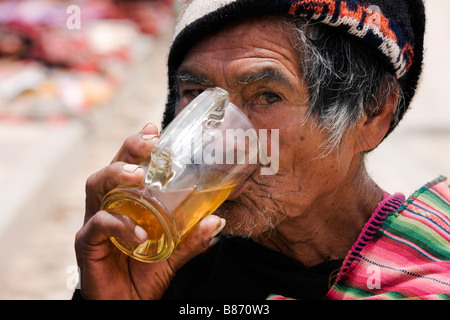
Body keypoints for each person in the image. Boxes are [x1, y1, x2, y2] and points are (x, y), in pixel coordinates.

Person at [74, 0, 450, 300]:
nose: (218, 139)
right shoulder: (170, 268)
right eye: (194, 95)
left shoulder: (431, 269)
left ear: (371, 113)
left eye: (266, 97)